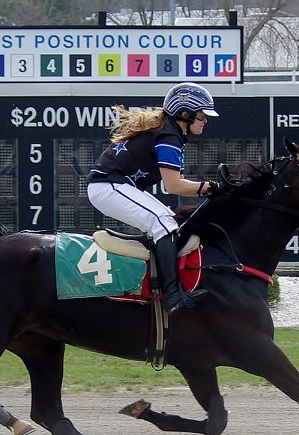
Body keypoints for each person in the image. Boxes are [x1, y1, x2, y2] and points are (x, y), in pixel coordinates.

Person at [87, 82, 229, 315]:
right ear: (185, 114)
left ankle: (157, 285)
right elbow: (173, 185)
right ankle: (172, 296)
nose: (206, 121)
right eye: (202, 115)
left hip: (115, 184)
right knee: (163, 223)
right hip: (108, 185)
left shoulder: (170, 132)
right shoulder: (169, 136)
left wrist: (207, 188)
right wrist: (209, 187)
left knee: (168, 221)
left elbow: (177, 183)